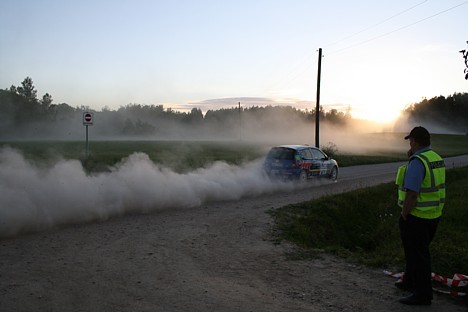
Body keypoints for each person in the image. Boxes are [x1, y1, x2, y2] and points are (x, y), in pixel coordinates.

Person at [394, 126, 446, 305]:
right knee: (415, 251)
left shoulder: (417, 161)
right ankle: (409, 282)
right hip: (434, 215)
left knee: (418, 255)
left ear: (415, 142)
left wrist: (404, 213)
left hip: (417, 216)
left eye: (411, 141)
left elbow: (412, 193)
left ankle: (423, 294)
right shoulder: (436, 158)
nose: (410, 144)